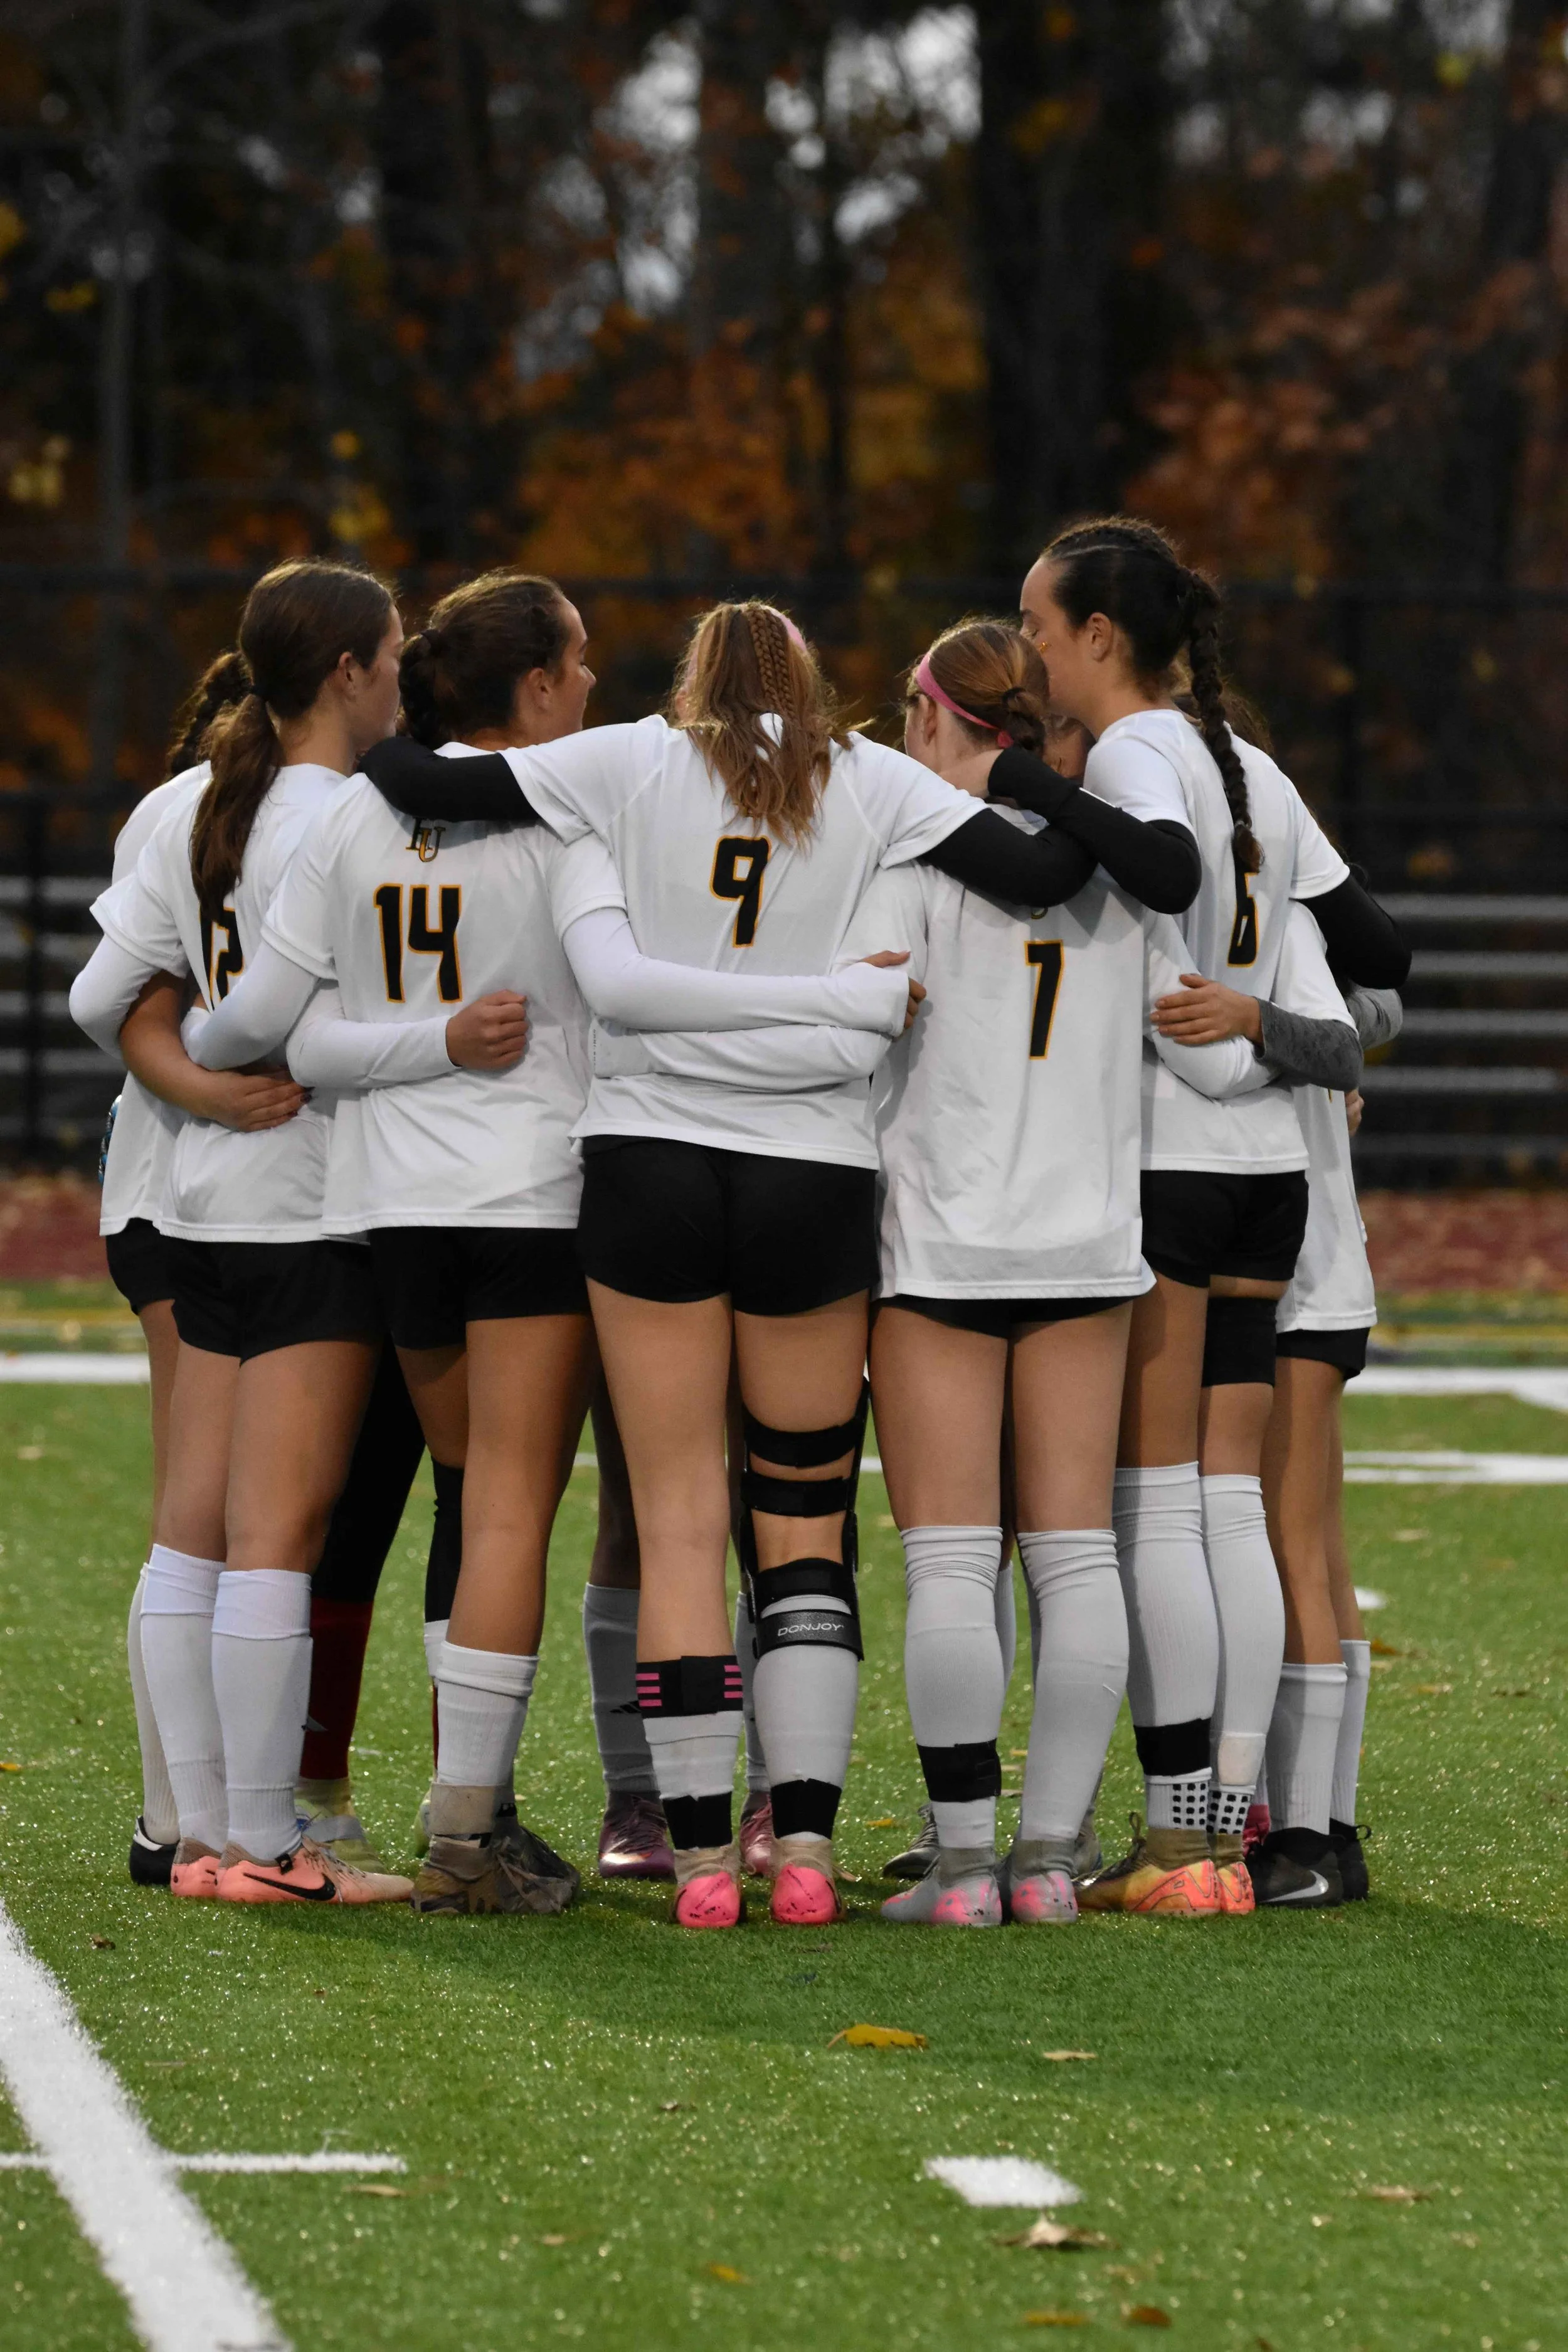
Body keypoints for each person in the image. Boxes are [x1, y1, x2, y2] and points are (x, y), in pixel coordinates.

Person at [357, 600, 1105, 1927]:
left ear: (689, 676)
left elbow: (418, 777)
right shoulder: (870, 777)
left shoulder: (626, 762)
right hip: (810, 1171)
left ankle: (698, 1861)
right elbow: (1019, 899)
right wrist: (828, 1008)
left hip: (645, 1162)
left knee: (681, 1519)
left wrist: (330, 700)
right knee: (802, 1525)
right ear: (810, 680)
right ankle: (804, 1852)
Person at [841, 623, 1274, 1929]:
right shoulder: (1115, 878)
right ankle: (1050, 1862)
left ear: (934, 717)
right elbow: (1202, 1061)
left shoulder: (905, 845)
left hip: (943, 1249)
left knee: (954, 1563)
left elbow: (858, 1025)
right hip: (1089, 1250)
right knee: (1078, 1558)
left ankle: (965, 1868)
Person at [1015, 516, 1407, 1917]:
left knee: (1158, 1505)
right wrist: (1263, 1055)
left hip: (1178, 1155)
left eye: (1042, 634)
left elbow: (1168, 913)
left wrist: (1222, 1049)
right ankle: (1231, 1819)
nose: (1033, 658)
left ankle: (1182, 1836)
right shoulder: (1246, 758)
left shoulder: (1129, 754)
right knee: (1230, 1502)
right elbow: (1366, 961)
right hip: (1268, 1176)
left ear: (1100, 640)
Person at [70, 557, 415, 1907]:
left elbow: (109, 1000)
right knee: (279, 1529)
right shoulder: (364, 818)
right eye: (390, 654)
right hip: (310, 1203)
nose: (403, 674)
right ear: (344, 672)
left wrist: (197, 1086)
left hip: (189, 1200)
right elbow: (291, 1020)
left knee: (188, 1528)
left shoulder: (183, 803)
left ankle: (191, 1833)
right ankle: (266, 1848)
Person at [1253, 909, 1399, 1905]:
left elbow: (1369, 1004)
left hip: (1295, 1267)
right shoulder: (1288, 886)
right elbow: (1379, 995)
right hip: (1323, 1261)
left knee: (1290, 1544)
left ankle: (1303, 1838)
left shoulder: (1262, 892)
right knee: (1317, 1546)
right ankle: (1331, 1830)